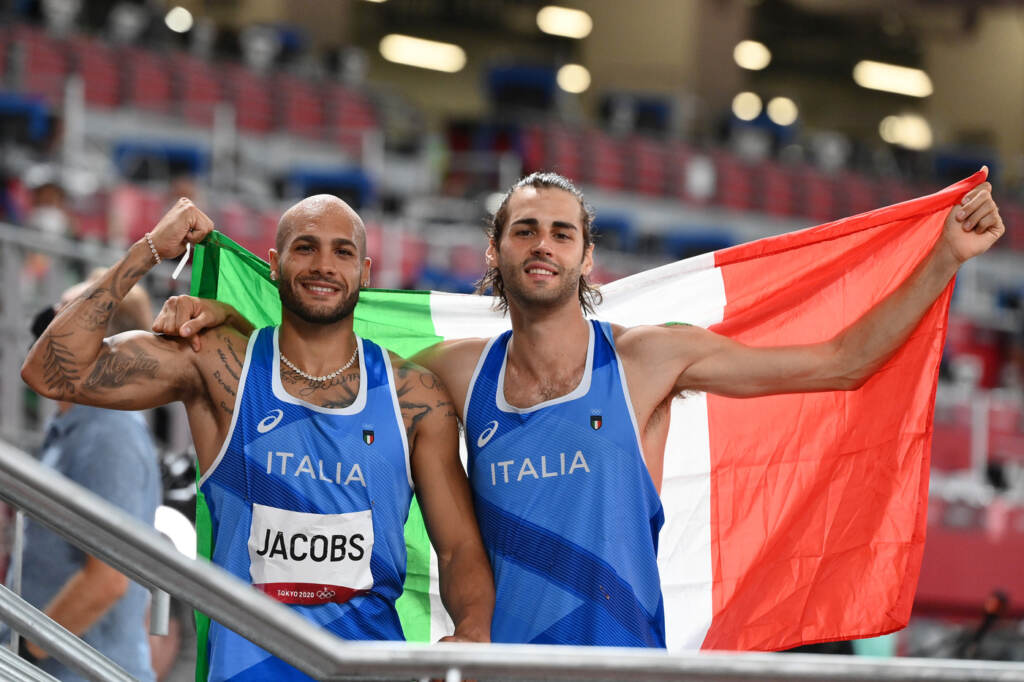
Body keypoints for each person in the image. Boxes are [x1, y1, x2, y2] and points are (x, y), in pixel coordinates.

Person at [155, 171, 1006, 648]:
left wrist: (944, 258)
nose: (543, 246)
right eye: (525, 230)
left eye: (561, 233)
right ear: (495, 251)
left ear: (586, 256)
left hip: (627, 674)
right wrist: (235, 318)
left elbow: (845, 363)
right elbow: (329, 373)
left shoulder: (649, 359)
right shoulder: (452, 373)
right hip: (505, 673)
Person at [21, 195, 494, 681]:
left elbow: (458, 547)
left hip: (364, 669)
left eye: (342, 252)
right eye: (305, 248)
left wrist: (473, 631)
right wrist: (147, 250)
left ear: (365, 272)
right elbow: (52, 372)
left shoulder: (412, 395)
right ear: (274, 263)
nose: (324, 265)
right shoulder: (218, 365)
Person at [13, 273, 160, 681]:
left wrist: (26, 650)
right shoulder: (76, 426)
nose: (44, 332)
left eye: (61, 320)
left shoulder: (110, 431)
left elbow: (108, 579)